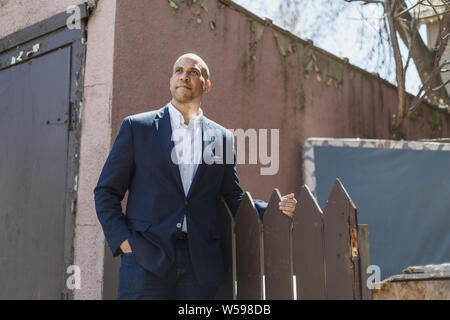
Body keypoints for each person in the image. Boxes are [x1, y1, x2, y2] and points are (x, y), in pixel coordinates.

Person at [94, 53, 297, 300]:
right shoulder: (138, 128)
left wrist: (273, 209)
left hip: (198, 267)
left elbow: (232, 197)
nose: (184, 76)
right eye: (178, 70)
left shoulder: (222, 138)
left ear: (206, 84)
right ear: (171, 81)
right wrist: (124, 242)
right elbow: (106, 191)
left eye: (194, 71)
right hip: (145, 260)